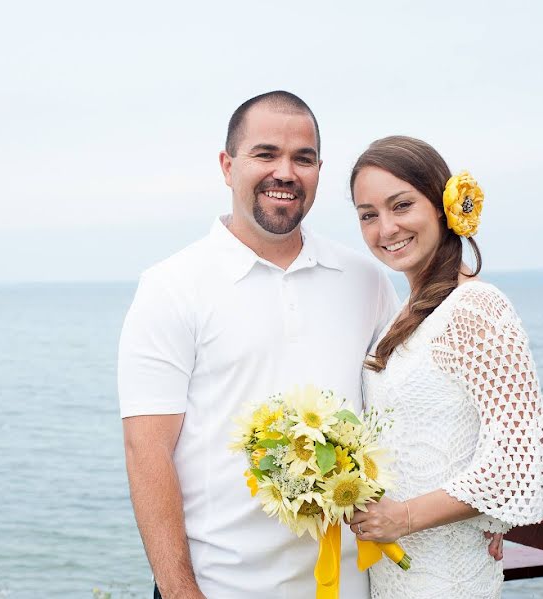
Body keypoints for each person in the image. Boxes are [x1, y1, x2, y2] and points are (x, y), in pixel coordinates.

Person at [118, 91, 400, 597]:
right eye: (266, 154)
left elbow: (410, 408)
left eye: (304, 158)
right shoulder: (171, 285)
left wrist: (479, 512)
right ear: (228, 166)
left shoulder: (366, 280)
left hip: (348, 584)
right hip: (221, 585)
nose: (286, 172)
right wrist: (182, 591)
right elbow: (147, 449)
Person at [346, 136, 543, 598]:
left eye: (401, 205)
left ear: (442, 206)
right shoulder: (402, 314)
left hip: (447, 575)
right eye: (368, 214)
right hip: (392, 572)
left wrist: (405, 517)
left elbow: (517, 462)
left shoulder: (477, 307)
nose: (385, 228)